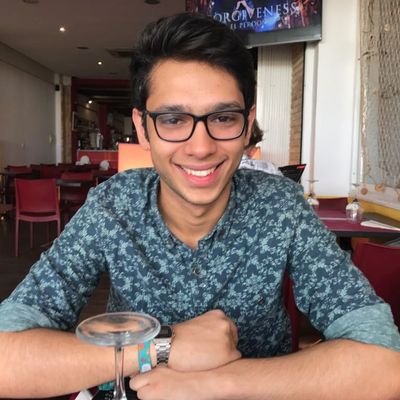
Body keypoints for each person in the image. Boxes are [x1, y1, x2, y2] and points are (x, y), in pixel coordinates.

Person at [0, 12, 400, 400]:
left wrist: (216, 383)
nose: (201, 147)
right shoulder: (112, 206)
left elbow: (384, 364)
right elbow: (6, 357)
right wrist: (160, 348)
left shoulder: (281, 206)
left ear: (247, 125)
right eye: (173, 120)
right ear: (142, 128)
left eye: (223, 118)